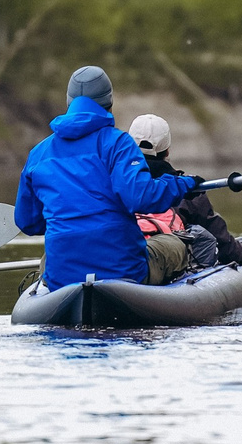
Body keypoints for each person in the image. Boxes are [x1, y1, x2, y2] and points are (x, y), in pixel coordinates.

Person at [12, 66, 202, 288]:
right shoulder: (118, 143)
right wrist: (182, 184)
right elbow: (141, 198)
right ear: (109, 104)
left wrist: (70, 220)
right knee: (176, 245)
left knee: (51, 258)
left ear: (69, 102)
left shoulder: (38, 154)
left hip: (62, 276)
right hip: (124, 272)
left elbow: (28, 222)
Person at [129, 113, 242, 276]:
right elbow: (225, 247)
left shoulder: (112, 184)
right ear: (167, 151)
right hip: (162, 267)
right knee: (201, 236)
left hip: (121, 259)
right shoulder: (188, 190)